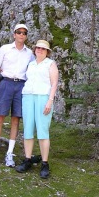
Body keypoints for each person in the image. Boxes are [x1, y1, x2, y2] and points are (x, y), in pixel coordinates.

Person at [0, 23, 34, 167]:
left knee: (15, 119)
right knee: (0, 116)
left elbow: (32, 72)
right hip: (6, 83)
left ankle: (9, 154)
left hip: (21, 85)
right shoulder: (5, 49)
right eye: (19, 32)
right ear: (14, 34)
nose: (21, 35)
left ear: (26, 36)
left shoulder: (29, 53)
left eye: (24, 33)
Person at [15, 40, 59, 179]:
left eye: (43, 49)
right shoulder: (31, 64)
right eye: (38, 48)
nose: (39, 50)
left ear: (47, 52)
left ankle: (45, 163)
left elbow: (54, 84)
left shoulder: (50, 64)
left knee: (42, 130)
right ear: (34, 50)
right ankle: (27, 159)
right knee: (28, 129)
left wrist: (50, 101)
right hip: (28, 96)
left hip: (43, 98)